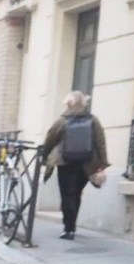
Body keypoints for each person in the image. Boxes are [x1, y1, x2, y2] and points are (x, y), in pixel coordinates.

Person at [42, 90, 109, 240]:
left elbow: (50, 138)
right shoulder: (93, 120)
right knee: (76, 194)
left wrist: (44, 156)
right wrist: (102, 164)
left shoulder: (62, 121)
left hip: (65, 163)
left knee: (67, 195)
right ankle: (72, 226)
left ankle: (68, 228)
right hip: (86, 164)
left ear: (69, 104)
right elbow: (100, 142)